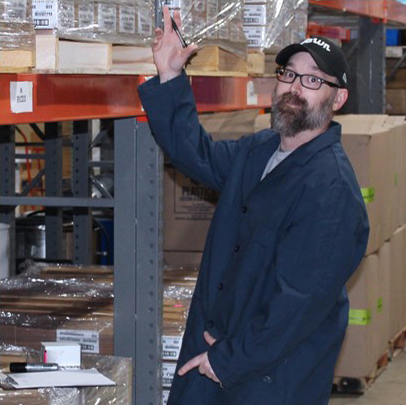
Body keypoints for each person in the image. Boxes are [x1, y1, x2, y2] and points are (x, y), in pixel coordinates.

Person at [139, 7, 369, 405]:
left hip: (269, 378)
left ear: (339, 98)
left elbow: (295, 305)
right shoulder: (260, 150)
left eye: (314, 80)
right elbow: (196, 154)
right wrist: (172, 75)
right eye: (289, 74)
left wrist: (228, 360)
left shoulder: (330, 191)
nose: (295, 87)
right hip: (218, 351)